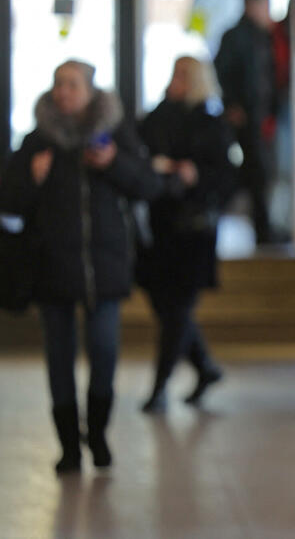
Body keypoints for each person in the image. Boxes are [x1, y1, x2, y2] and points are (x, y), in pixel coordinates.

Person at [0, 60, 172, 473]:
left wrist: (113, 163)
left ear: (91, 92)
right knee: (58, 358)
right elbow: (9, 202)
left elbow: (149, 186)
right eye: (59, 84)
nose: (64, 92)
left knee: (105, 351)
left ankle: (96, 432)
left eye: (73, 85)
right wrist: (32, 179)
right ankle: (68, 447)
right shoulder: (37, 141)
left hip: (105, 265)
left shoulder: (114, 135)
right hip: (51, 266)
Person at [137, 57, 237, 413]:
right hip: (160, 226)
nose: (176, 81)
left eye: (183, 75)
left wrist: (195, 176)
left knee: (178, 308)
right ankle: (205, 366)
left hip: (194, 228)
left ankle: (160, 386)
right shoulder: (157, 117)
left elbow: (226, 177)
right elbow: (140, 154)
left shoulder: (211, 124)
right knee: (166, 307)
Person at [213, 0, 276, 244]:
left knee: (255, 172)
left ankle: (262, 228)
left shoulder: (264, 36)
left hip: (261, 116)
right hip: (245, 116)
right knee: (254, 171)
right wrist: (231, 105)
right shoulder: (236, 37)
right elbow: (221, 72)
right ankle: (261, 230)